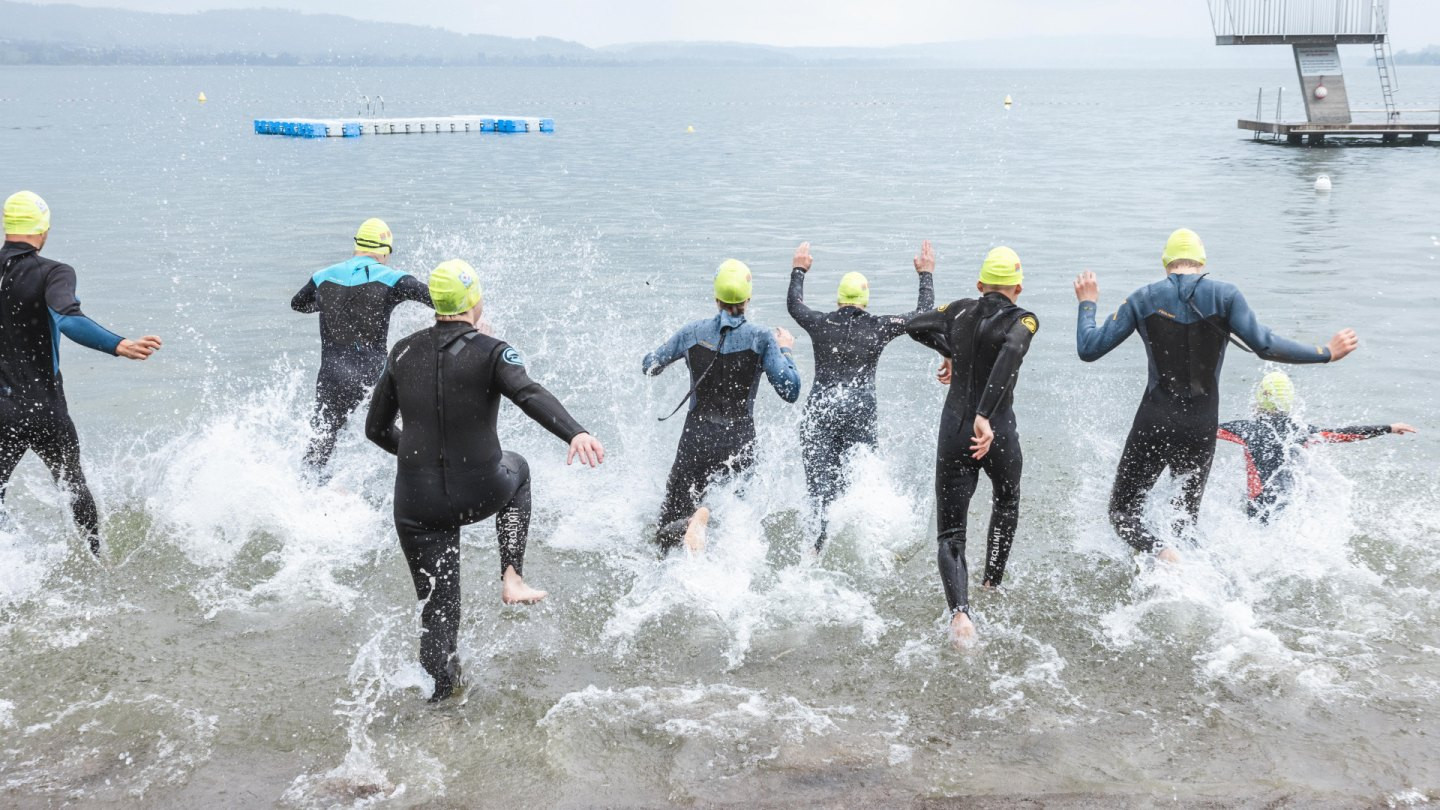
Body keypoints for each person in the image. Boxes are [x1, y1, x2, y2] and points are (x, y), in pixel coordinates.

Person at [366, 260, 603, 702]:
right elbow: (528, 393)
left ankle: (441, 703)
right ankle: (511, 575)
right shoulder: (493, 350)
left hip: (416, 506)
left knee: (438, 613)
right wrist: (577, 432)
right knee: (520, 470)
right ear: (474, 301)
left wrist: (427, 463)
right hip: (480, 491)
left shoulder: (400, 351)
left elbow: (376, 430)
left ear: (434, 304)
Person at [1074, 228, 1359, 562]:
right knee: (1185, 520)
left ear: (1165, 263)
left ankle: (1162, 555)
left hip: (1155, 419)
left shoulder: (1143, 298)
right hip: (1201, 425)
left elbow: (1089, 349)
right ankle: (1198, 581)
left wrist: (1088, 304)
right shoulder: (1226, 296)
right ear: (1202, 262)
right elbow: (1265, 344)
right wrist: (1325, 352)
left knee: (1123, 512)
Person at [0, 191, 163, 554]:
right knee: (73, 484)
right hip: (43, 408)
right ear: (42, 230)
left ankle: (11, 567)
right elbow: (68, 319)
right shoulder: (52, 272)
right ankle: (96, 555)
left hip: (1, 411)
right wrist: (119, 345)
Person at [906, 246, 1036, 644]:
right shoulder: (1024, 319)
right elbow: (1011, 351)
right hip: (996, 430)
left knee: (951, 534)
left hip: (955, 431)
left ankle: (960, 616)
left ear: (980, 286)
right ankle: (991, 584)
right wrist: (986, 413)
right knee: (1007, 501)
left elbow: (915, 323)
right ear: (1018, 287)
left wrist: (950, 350)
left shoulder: (960, 309)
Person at [643, 259, 800, 554]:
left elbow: (650, 365)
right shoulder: (763, 337)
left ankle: (690, 525)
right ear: (748, 299)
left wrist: (668, 359)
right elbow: (790, 390)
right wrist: (785, 349)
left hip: (695, 440)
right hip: (739, 442)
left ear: (716, 299)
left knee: (665, 528)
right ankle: (706, 529)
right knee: (733, 526)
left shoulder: (692, 333)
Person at [787, 240, 935, 551]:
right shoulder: (880, 327)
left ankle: (817, 545)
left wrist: (799, 269)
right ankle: (860, 541)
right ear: (865, 302)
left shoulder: (821, 323)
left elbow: (795, 306)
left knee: (820, 487)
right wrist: (925, 274)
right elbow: (924, 314)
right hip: (860, 413)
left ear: (839, 299)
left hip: (822, 411)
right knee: (855, 482)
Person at [292, 218, 431, 481]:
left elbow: (298, 303)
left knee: (322, 443)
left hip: (332, 376)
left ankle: (308, 498)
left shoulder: (323, 276)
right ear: (385, 251)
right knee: (408, 423)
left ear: (356, 245)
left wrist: (332, 305)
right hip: (374, 376)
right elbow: (438, 299)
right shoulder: (393, 279)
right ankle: (430, 472)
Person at [1217, 371, 1416, 522]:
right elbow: (1344, 433)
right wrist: (1388, 428)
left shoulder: (1246, 429)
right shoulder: (1302, 430)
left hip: (1260, 507)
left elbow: (1204, 431)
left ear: (1258, 401)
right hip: (1291, 504)